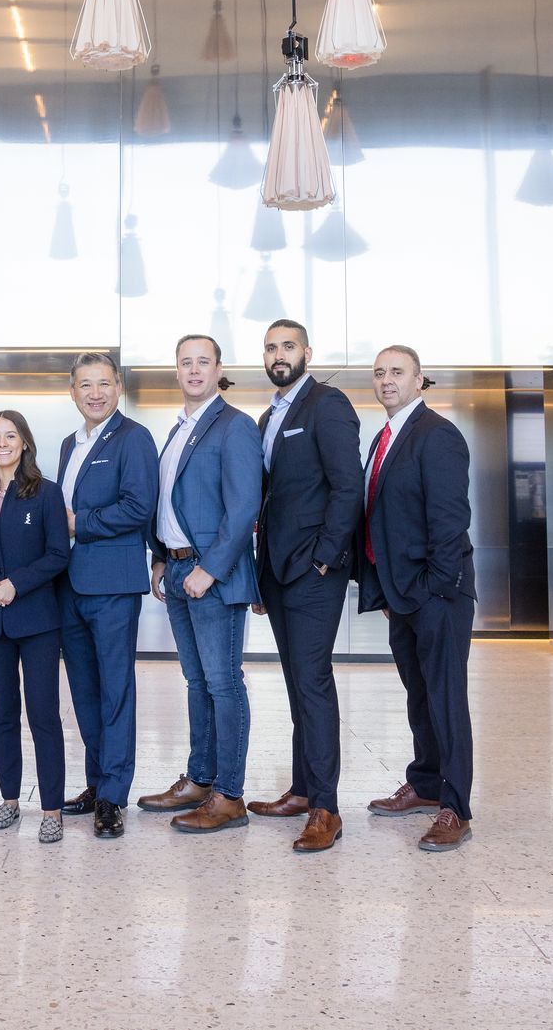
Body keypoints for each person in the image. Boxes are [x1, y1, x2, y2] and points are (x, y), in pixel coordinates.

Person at [138, 335, 261, 834]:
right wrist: (161, 558)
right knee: (197, 682)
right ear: (176, 370)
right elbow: (168, 502)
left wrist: (209, 568)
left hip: (212, 575)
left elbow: (244, 506)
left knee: (224, 684)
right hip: (178, 569)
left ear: (218, 368)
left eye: (202, 362)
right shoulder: (178, 429)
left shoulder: (234, 426)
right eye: (185, 362)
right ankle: (200, 779)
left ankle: (229, 796)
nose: (193, 370)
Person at [248, 320, 363, 853]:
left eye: (287, 346)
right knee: (296, 682)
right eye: (271, 347)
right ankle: (301, 789)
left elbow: (347, 486)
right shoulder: (269, 415)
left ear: (307, 352)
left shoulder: (327, 403)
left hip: (314, 572)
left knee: (313, 682)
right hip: (277, 572)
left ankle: (326, 808)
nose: (278, 354)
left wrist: (325, 558)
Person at [359, 344, 477, 852]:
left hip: (437, 595)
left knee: (445, 698)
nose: (388, 380)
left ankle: (456, 808)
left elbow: (450, 524)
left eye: (398, 372)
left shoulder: (437, 436)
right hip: (403, 595)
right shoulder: (383, 438)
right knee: (420, 695)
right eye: (380, 372)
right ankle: (426, 783)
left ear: (419, 379)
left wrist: (430, 589)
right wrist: (387, 590)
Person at [54, 352, 158, 839]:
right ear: (72, 392)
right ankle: (96, 783)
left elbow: (139, 506)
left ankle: (114, 796)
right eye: (84, 385)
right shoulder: (67, 444)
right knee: (85, 694)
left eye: (103, 383)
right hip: (69, 586)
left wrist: (80, 524)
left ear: (118, 388)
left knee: (115, 691)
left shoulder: (133, 438)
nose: (94, 393)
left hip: (113, 586)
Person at [0, 411, 72, 844]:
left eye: (10, 436)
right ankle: (9, 801)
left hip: (37, 620)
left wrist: (15, 585)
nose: (2, 443)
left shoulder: (45, 494)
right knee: (3, 716)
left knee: (43, 715)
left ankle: (52, 809)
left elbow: (58, 554)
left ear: (24, 442)